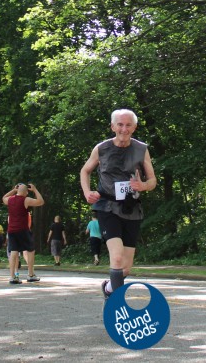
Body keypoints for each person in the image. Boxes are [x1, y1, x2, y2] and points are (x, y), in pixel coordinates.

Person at [79, 109, 157, 299]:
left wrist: (143, 185)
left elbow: (152, 180)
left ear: (134, 127)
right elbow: (85, 171)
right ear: (112, 126)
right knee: (117, 257)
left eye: (128, 125)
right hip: (107, 206)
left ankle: (108, 288)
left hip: (132, 208)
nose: (124, 129)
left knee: (126, 268)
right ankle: (115, 302)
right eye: (120, 124)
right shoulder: (101, 148)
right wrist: (87, 192)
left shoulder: (141, 149)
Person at [2, 183, 43, 284]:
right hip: (23, 229)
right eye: (27, 191)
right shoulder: (26, 200)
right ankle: (30, 274)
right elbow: (41, 201)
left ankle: (13, 277)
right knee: (30, 250)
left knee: (14, 252)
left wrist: (14, 190)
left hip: (11, 230)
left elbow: (3, 198)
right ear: (26, 192)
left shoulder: (10, 199)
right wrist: (35, 189)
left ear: (17, 190)